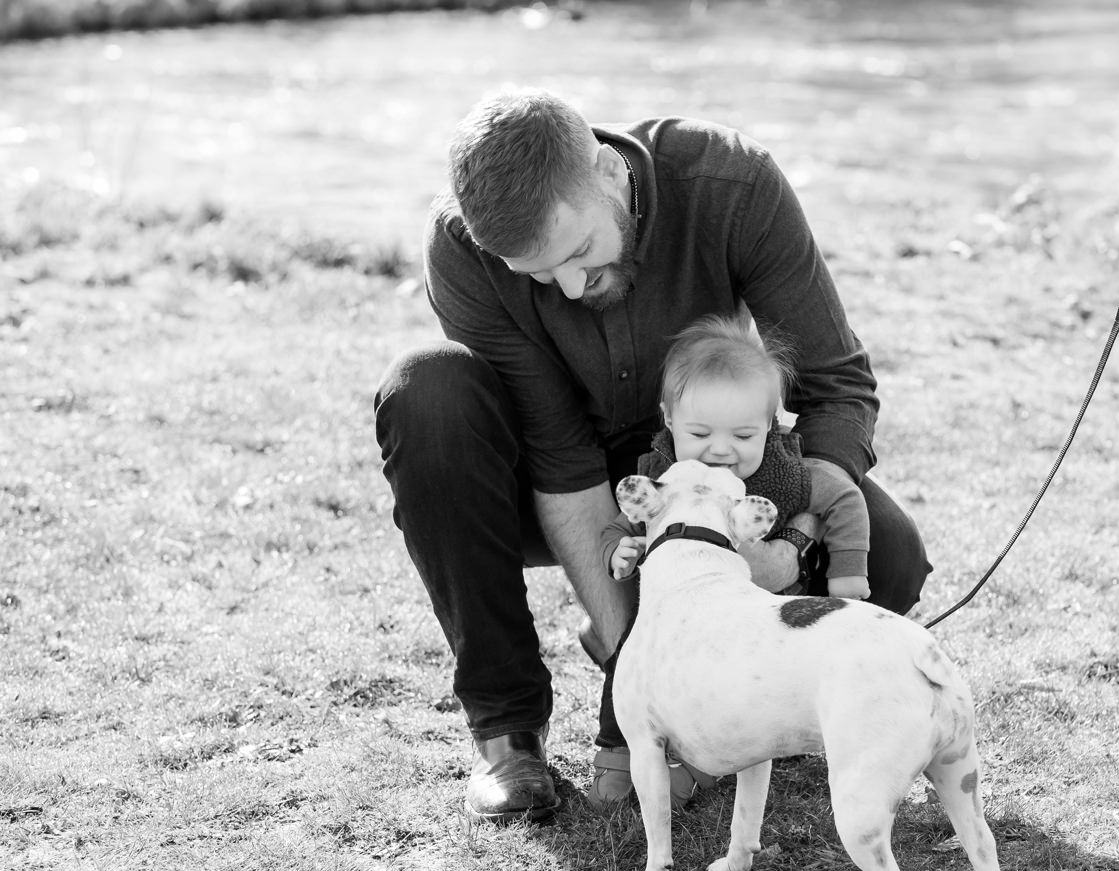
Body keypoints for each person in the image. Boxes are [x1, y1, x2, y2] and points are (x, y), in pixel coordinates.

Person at [372, 89, 930, 824]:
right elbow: (561, 459)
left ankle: (742, 702)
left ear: (607, 173)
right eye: (540, 276)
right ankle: (508, 732)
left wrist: (790, 541)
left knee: (885, 557)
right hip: (549, 485)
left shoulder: (732, 184)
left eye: (577, 253)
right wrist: (633, 666)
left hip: (713, 478)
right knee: (428, 390)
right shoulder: (461, 247)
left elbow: (838, 384)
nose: (570, 287)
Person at [590, 311, 874, 805]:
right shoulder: (664, 473)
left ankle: (702, 763)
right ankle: (617, 749)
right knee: (636, 661)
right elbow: (621, 523)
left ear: (771, 424)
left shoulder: (787, 472)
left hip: (754, 622)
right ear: (668, 418)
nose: (721, 451)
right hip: (676, 614)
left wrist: (847, 574)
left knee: (734, 696)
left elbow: (845, 499)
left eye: (744, 436)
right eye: (700, 434)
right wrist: (621, 550)